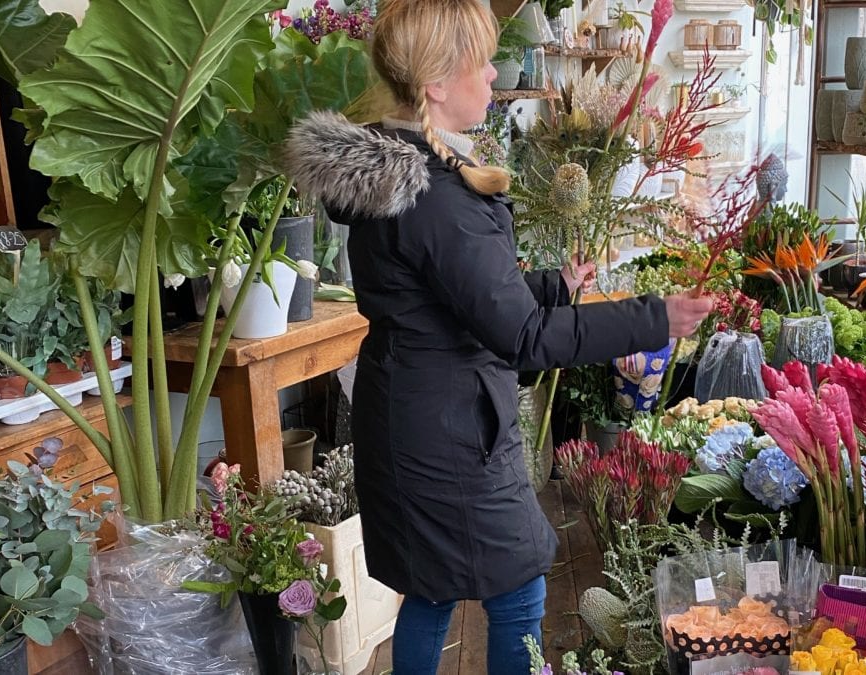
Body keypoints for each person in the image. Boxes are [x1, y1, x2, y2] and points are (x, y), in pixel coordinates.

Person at [286, 1, 713, 672]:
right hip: (447, 436)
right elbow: (522, 335)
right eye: (478, 62)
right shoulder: (435, 194)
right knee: (517, 589)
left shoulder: (407, 173)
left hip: (417, 415)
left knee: (430, 590)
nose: (492, 74)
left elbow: (454, 297)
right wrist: (654, 317)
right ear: (434, 84)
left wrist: (553, 284)